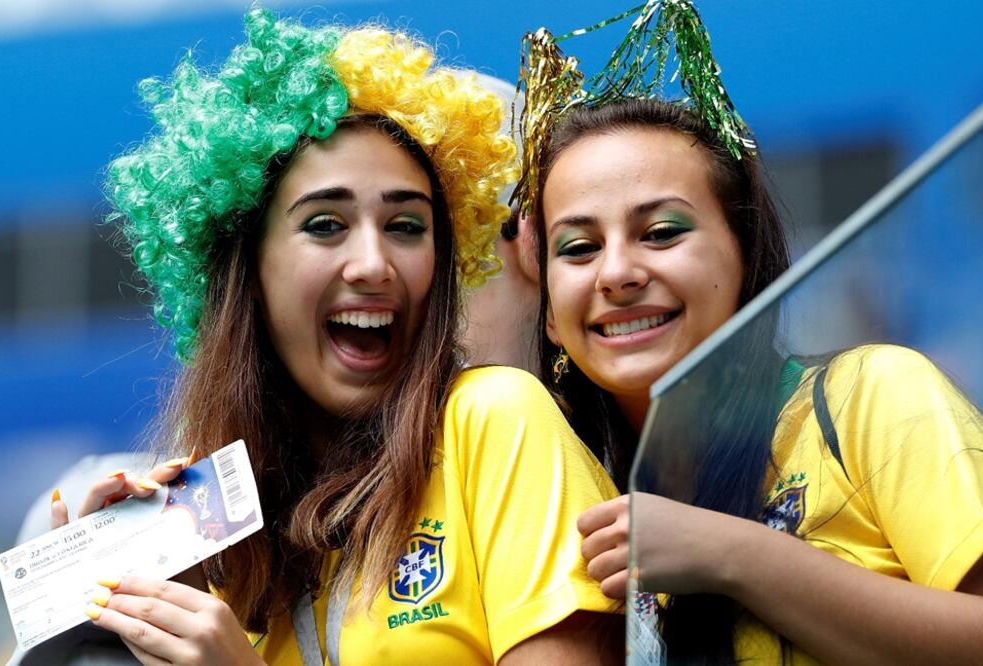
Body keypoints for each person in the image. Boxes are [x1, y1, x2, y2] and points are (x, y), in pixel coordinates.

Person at [45, 8, 623, 665]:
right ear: (248, 269)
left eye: (406, 225)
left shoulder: (496, 419)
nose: (374, 263)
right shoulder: (221, 537)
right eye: (325, 224)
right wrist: (101, 608)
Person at [513, 2, 983, 663]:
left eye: (661, 232)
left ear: (745, 253)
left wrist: (732, 553)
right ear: (546, 306)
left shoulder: (867, 396)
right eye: (576, 247)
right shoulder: (566, 484)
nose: (617, 272)